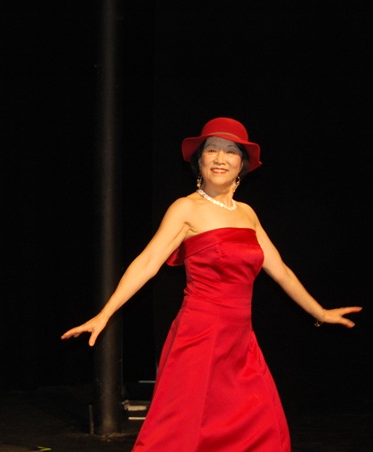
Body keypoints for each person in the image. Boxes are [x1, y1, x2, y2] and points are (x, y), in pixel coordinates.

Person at [61, 117, 362, 451]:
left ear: (242, 165)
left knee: (261, 430)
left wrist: (320, 312)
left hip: (241, 342)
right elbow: (147, 263)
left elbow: (281, 271)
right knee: (180, 432)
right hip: (199, 337)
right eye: (212, 150)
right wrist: (104, 314)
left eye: (231, 151)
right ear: (200, 161)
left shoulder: (247, 214)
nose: (220, 158)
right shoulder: (186, 208)